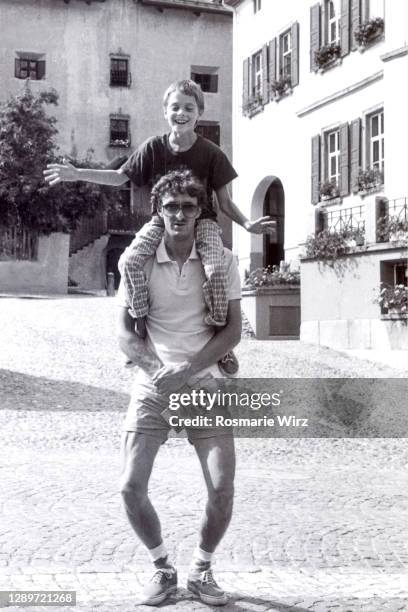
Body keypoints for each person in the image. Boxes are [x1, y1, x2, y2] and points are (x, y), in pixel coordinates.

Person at [43, 79, 274, 375]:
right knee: (130, 260)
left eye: (188, 108)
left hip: (201, 221)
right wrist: (77, 174)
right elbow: (118, 177)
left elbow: (225, 202)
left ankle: (222, 345)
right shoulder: (153, 148)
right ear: (165, 112)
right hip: (160, 220)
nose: (181, 113)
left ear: (199, 113)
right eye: (175, 107)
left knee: (216, 269)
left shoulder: (211, 153)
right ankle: (139, 331)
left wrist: (247, 223)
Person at [117, 169, 242, 606]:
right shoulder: (139, 262)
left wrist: (188, 369)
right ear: (158, 210)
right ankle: (162, 568)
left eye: (189, 206)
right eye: (170, 206)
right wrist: (160, 371)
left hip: (206, 384)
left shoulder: (221, 260)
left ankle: (202, 570)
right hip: (152, 385)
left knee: (222, 487)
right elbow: (125, 335)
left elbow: (231, 333)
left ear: (200, 210)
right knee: (131, 486)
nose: (179, 214)